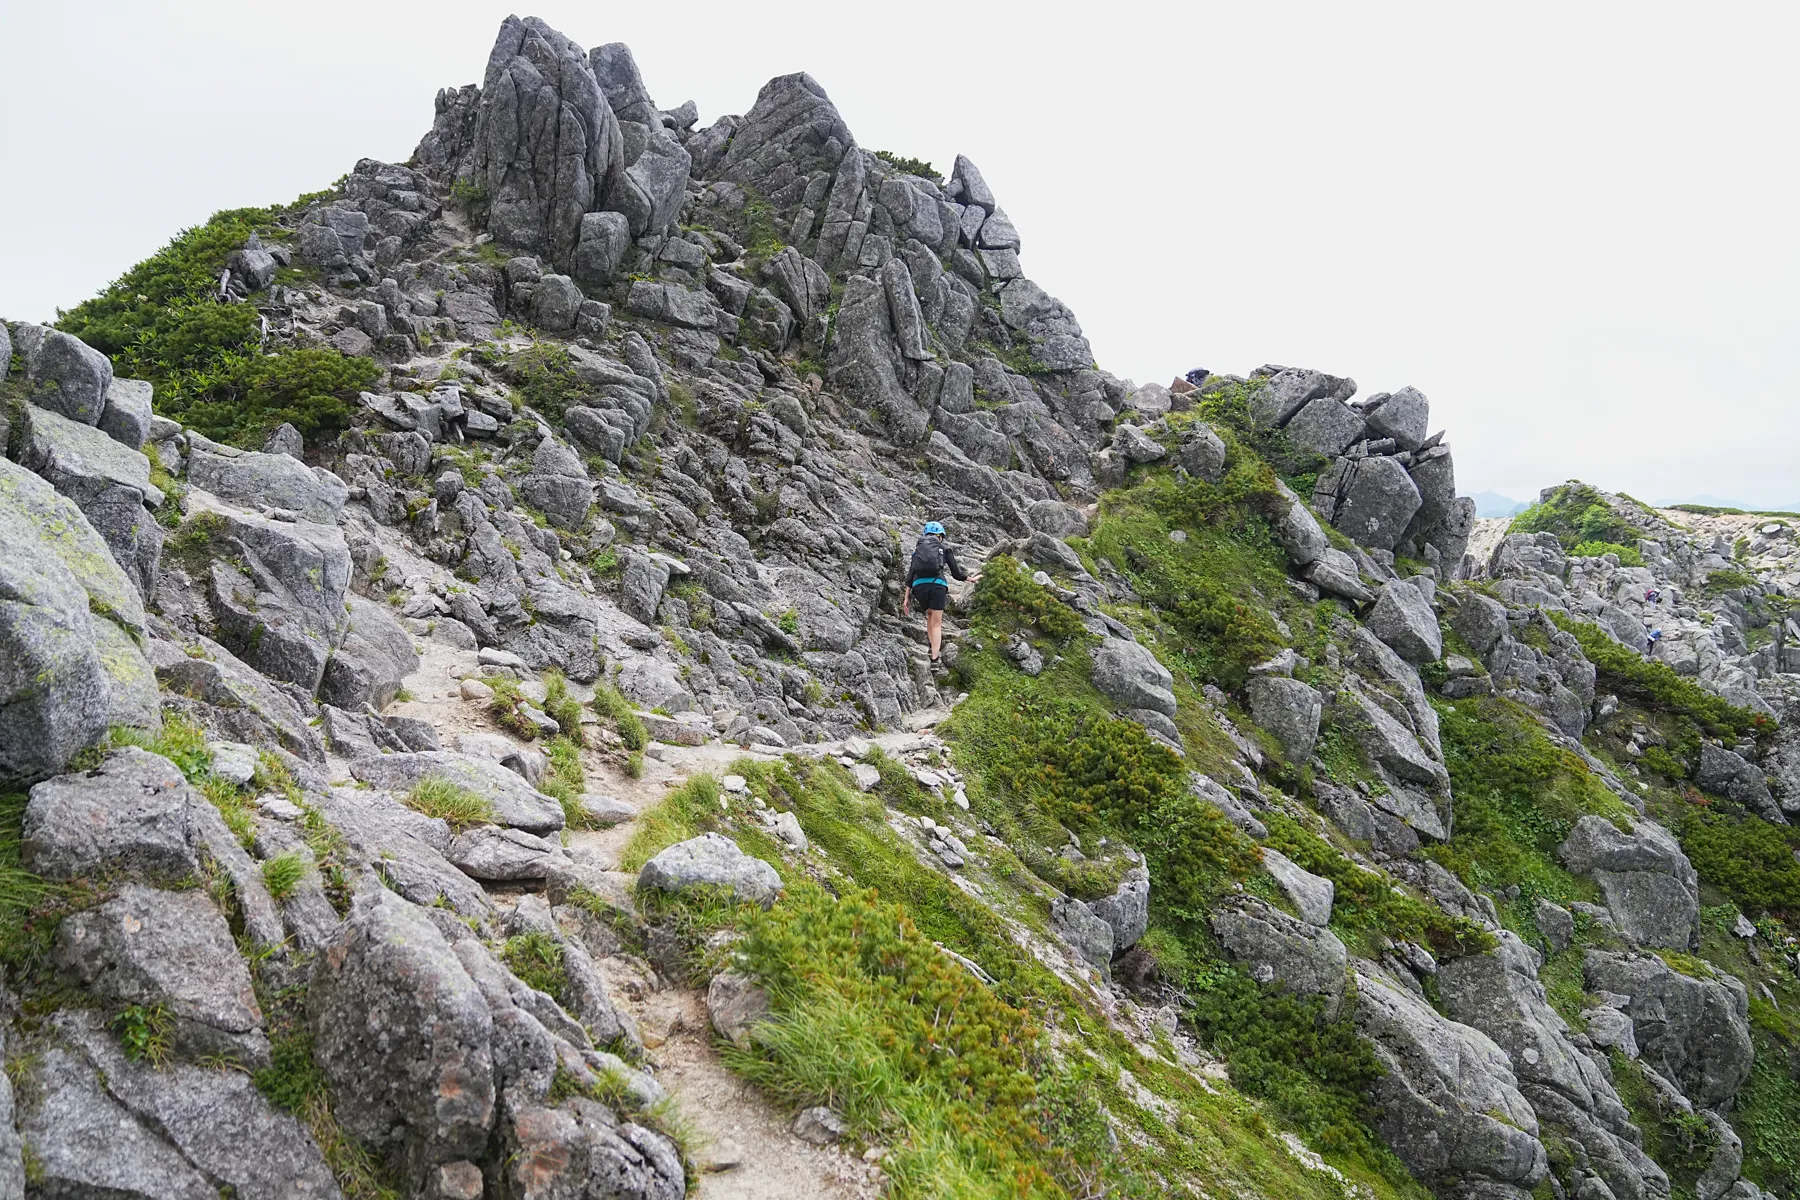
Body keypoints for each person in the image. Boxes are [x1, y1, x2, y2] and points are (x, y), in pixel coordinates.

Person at [901, 521, 970, 665]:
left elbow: (910, 576)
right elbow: (956, 574)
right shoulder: (944, 548)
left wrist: (906, 598)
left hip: (918, 587)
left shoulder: (917, 551)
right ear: (940, 536)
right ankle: (935, 658)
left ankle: (931, 647)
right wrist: (970, 579)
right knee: (937, 623)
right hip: (937, 586)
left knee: (930, 616)